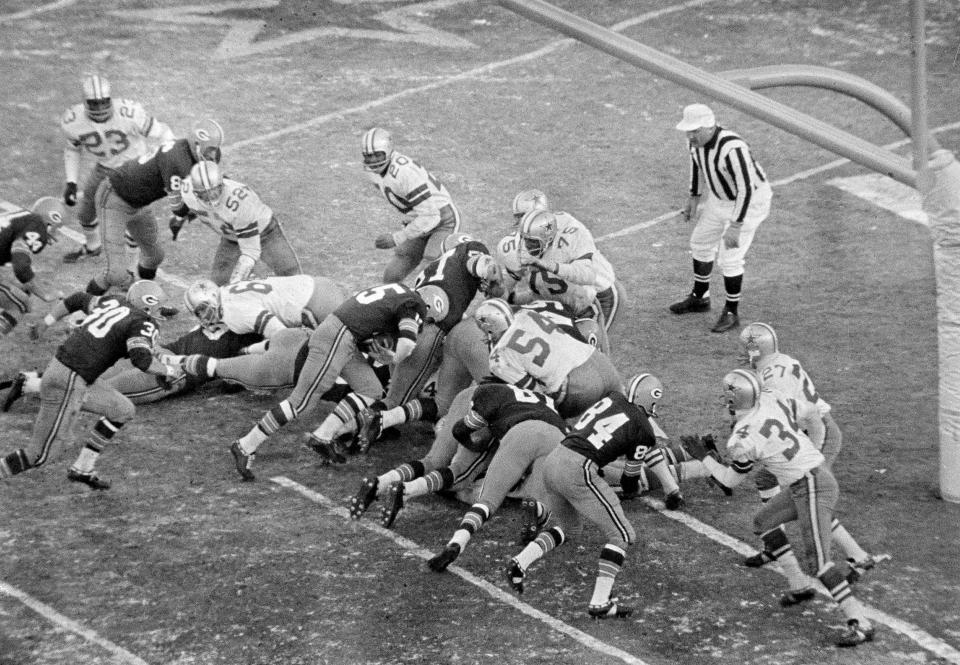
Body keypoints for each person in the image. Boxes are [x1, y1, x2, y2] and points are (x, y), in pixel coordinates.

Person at [683, 369, 875, 647]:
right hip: (806, 481)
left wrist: (703, 457)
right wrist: (816, 452)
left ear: (734, 399)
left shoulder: (741, 439)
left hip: (811, 485)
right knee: (763, 522)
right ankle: (798, 584)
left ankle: (860, 622)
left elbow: (730, 480)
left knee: (819, 563)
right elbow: (812, 415)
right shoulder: (774, 400)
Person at [427, 374, 684, 573]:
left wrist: (475, 443)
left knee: (487, 502)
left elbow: (462, 429)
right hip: (560, 443)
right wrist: (633, 489)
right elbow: (629, 474)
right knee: (588, 505)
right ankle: (539, 515)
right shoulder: (548, 402)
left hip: (535, 441)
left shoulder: (613, 399)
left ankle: (456, 543)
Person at [501, 377, 669, 619]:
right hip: (578, 468)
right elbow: (629, 480)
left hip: (555, 458)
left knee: (570, 528)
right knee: (621, 535)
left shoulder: (613, 399)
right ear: (649, 398)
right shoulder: (644, 428)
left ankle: (520, 562)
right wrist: (631, 489)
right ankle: (600, 602)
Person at [228, 283, 427, 480]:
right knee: (301, 403)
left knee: (370, 389)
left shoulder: (398, 290)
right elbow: (407, 343)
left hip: (343, 334)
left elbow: (363, 318)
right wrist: (392, 358)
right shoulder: (414, 304)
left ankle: (323, 436)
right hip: (338, 337)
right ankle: (245, 445)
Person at [737, 322, 887, 576]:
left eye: (747, 349)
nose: (744, 355)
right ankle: (775, 543)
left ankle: (858, 556)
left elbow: (779, 418)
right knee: (767, 480)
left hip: (819, 433)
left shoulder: (772, 377)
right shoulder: (779, 361)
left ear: (757, 350)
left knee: (811, 496)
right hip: (806, 432)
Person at [0, 280, 179, 489]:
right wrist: (169, 371)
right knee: (38, 455)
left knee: (122, 410)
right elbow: (142, 360)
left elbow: (76, 299)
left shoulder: (114, 301)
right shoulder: (142, 321)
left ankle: (83, 467)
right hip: (69, 381)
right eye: (157, 308)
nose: (160, 314)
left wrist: (46, 322)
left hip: (69, 373)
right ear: (147, 305)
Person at [343, 234, 498, 450]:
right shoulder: (471, 251)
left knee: (399, 394)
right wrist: (494, 280)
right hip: (427, 330)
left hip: (406, 323)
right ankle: (345, 431)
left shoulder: (435, 268)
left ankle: (351, 429)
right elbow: (482, 265)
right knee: (396, 400)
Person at [85, 118, 223, 295]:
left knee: (154, 256)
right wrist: (192, 211)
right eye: (209, 149)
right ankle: (82, 308)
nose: (213, 155)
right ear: (196, 144)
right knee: (116, 273)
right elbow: (178, 207)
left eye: (214, 149)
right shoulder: (177, 161)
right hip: (113, 199)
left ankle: (144, 297)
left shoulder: (186, 152)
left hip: (139, 204)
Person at [669, 103, 772, 333]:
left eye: (695, 131)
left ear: (709, 127)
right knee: (700, 242)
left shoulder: (733, 147)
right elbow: (697, 167)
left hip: (749, 202)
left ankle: (731, 312)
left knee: (730, 258)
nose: (690, 135)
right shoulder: (695, 143)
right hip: (720, 199)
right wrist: (693, 200)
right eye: (689, 130)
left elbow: (746, 188)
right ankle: (700, 297)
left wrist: (736, 225)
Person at [59, 73, 175, 263]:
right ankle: (92, 246)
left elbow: (163, 132)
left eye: (103, 102)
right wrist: (71, 182)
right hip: (104, 168)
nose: (100, 107)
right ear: (85, 103)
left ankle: (130, 267)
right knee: (86, 212)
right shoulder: (73, 121)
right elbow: (73, 149)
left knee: (133, 220)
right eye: (94, 104)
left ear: (110, 99)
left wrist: (168, 158)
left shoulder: (129, 113)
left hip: (135, 170)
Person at [503, 192, 626, 337]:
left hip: (598, 296)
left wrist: (545, 264)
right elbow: (539, 289)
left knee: (591, 350)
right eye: (518, 217)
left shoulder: (570, 233)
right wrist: (502, 293)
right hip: (568, 300)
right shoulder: (529, 239)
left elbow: (584, 274)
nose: (520, 224)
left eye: (524, 217)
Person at [480, 297, 623, 418]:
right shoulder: (526, 314)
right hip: (601, 363)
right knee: (630, 410)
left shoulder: (498, 358)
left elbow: (535, 393)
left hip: (577, 386)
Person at [172, 160, 302, 285]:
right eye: (205, 194)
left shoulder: (240, 203)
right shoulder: (187, 191)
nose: (212, 198)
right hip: (231, 238)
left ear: (222, 184)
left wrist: (236, 281)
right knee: (219, 283)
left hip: (265, 233)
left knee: (293, 278)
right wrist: (180, 217)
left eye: (215, 191)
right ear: (195, 193)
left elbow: (250, 251)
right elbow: (185, 206)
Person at [361, 127, 462, 283]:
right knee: (391, 276)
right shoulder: (372, 172)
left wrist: (397, 238)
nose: (373, 160)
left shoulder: (404, 173)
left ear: (388, 151)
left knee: (427, 276)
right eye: (369, 156)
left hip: (442, 220)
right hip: (419, 220)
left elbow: (431, 216)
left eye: (377, 154)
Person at [181, 274, 346, 343]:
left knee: (327, 360)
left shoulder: (232, 313)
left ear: (212, 299)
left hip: (315, 306)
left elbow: (280, 333)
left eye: (201, 310)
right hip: (317, 284)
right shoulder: (226, 291)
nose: (202, 317)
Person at [0, 197, 66, 335]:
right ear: (50, 222)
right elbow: (21, 267)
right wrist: (44, 293)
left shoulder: (22, 216)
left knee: (21, 289)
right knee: (20, 304)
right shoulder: (38, 227)